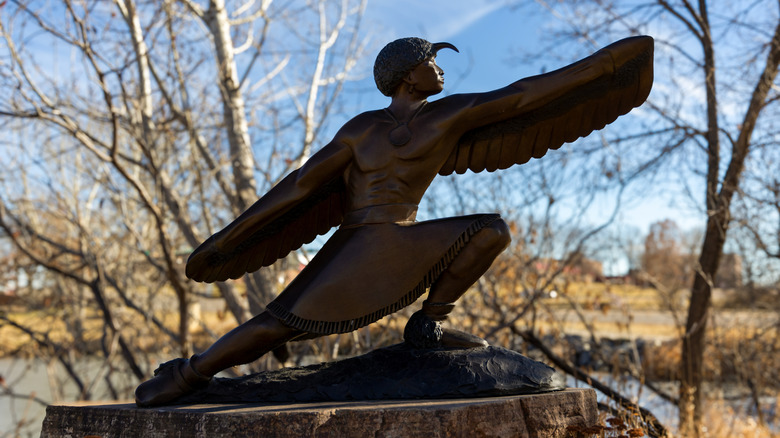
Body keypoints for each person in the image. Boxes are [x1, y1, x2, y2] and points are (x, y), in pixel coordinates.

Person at [135, 36, 653, 407]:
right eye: (432, 62)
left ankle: (429, 324)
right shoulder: (376, 128)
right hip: (364, 247)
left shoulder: (422, 120)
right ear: (409, 75)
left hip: (394, 241)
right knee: (276, 324)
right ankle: (188, 375)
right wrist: (228, 241)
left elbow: (522, 97)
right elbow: (300, 187)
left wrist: (602, 67)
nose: (441, 70)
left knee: (492, 230)